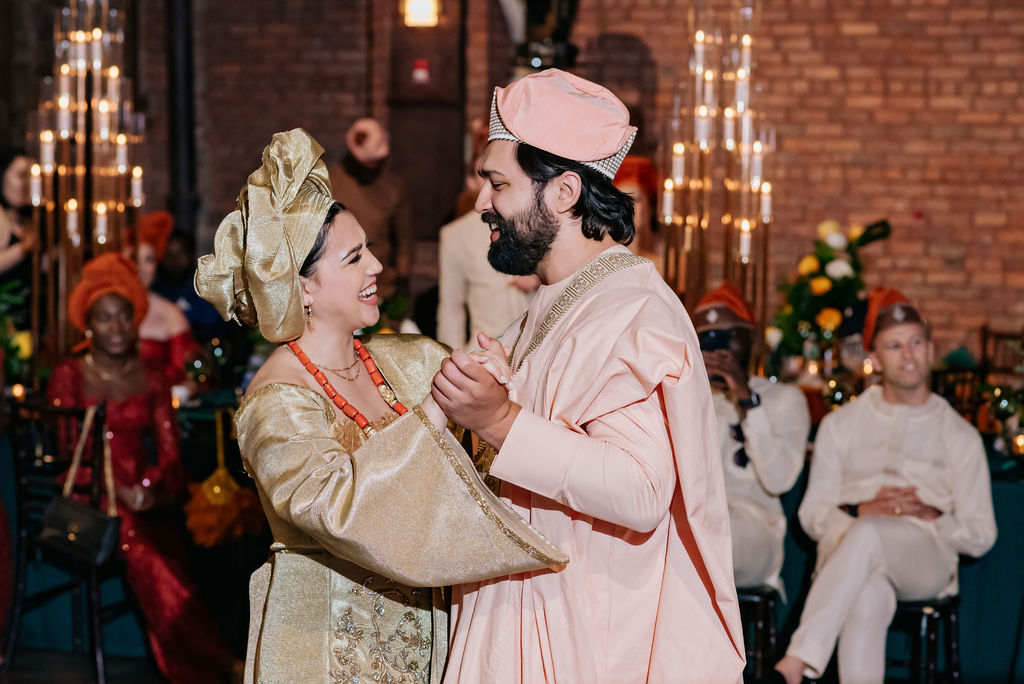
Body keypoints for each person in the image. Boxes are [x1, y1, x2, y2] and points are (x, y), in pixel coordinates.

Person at [194, 128, 566, 684]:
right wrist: (439, 411)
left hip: (433, 643)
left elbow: (480, 472)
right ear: (304, 289)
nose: (377, 267)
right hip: (325, 652)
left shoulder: (409, 360)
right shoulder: (276, 402)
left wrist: (498, 392)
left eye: (368, 248)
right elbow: (336, 509)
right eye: (353, 258)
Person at [431, 69, 745, 682]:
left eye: (498, 183)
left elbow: (640, 491)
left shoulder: (632, 311)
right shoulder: (561, 299)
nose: (480, 203)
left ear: (565, 192)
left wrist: (499, 418)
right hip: (531, 612)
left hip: (586, 633)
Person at [773, 289, 997, 684]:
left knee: (870, 533)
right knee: (867, 593)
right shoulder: (840, 425)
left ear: (930, 351)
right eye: (894, 346)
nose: (908, 355)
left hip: (925, 555)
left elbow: (982, 535)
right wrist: (860, 510)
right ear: (874, 359)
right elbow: (811, 516)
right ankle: (802, 662)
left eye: (916, 343)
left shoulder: (960, 435)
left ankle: (798, 660)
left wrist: (934, 516)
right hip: (848, 551)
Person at [48, 253, 234, 684]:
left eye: (124, 317)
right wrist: (118, 492)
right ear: (88, 325)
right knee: (145, 548)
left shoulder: (151, 378)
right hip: (91, 500)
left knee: (175, 548)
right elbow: (65, 456)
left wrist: (150, 487)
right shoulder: (69, 376)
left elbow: (170, 453)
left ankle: (209, 658)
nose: (116, 327)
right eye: (105, 318)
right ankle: (220, 663)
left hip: (143, 501)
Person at [694, 282, 809, 590]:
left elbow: (779, 479)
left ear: (751, 342)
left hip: (755, 527)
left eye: (728, 339)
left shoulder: (783, 398)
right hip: (693, 517)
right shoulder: (686, 395)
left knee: (702, 531)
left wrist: (746, 399)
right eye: (707, 340)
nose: (718, 350)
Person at [436, 124, 538, 350]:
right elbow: (451, 308)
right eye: (482, 175)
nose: (487, 189)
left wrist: (539, 277)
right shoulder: (455, 235)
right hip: (481, 354)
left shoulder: (534, 223)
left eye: (497, 180)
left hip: (532, 353)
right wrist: (449, 360)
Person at [328, 118, 414, 302]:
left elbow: (404, 240)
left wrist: (402, 278)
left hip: (381, 287)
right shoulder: (329, 183)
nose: (374, 169)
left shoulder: (393, 187)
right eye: (370, 164)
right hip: (336, 285)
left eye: (378, 163)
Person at [130, 210, 199, 385]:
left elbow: (184, 376)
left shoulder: (171, 315)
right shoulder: (99, 310)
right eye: (133, 259)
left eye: (149, 260)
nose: (141, 268)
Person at [0, 149, 36, 306]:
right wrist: (23, 248)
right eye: (21, 175)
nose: (26, 183)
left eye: (32, 177)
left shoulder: (22, 218)